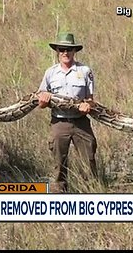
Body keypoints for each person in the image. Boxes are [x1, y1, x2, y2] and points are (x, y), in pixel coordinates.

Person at [37, 32, 98, 193]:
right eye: (62, 49)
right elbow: (40, 101)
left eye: (69, 49)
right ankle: (60, 198)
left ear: (74, 51)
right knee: (59, 163)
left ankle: (90, 193)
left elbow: (91, 99)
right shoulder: (50, 73)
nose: (65, 52)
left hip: (81, 122)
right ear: (57, 51)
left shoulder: (85, 71)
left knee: (89, 160)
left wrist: (87, 105)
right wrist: (42, 101)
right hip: (59, 122)